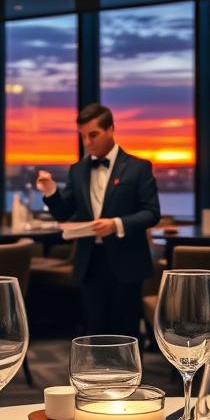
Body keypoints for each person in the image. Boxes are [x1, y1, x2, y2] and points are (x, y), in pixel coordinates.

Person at [36, 103, 160, 338]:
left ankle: (130, 376)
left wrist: (116, 224)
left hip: (126, 261)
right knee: (94, 333)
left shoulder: (138, 167)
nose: (88, 143)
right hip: (89, 261)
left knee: (126, 334)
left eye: (93, 135)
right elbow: (64, 213)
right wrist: (51, 190)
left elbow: (151, 212)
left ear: (111, 129)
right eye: (83, 137)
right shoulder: (78, 170)